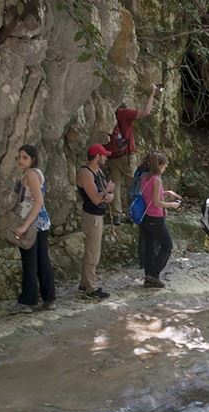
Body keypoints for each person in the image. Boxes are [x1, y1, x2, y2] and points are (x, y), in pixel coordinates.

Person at [10, 145, 56, 314]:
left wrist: (24, 225)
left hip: (32, 224)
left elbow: (38, 202)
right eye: (19, 157)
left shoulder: (30, 175)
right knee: (42, 260)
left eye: (24, 157)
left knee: (30, 262)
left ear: (33, 159)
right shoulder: (36, 173)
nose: (20, 160)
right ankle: (49, 298)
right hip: (41, 223)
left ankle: (27, 301)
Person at [106, 84, 161, 225]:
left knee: (116, 186)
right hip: (126, 156)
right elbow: (146, 112)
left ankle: (117, 216)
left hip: (111, 156)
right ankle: (133, 214)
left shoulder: (108, 114)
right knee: (133, 185)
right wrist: (152, 94)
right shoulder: (123, 113)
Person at [76, 144, 116, 300]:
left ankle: (85, 283)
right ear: (97, 157)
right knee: (92, 253)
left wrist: (108, 194)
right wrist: (107, 191)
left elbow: (104, 193)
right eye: (104, 155)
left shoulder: (97, 172)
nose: (106, 158)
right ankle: (91, 288)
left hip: (98, 214)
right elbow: (95, 198)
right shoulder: (86, 173)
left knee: (92, 251)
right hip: (91, 216)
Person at [139, 151, 182, 288]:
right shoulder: (157, 179)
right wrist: (172, 205)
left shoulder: (145, 177)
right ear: (160, 165)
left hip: (145, 217)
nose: (165, 169)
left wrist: (167, 193)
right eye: (165, 166)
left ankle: (148, 276)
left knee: (150, 247)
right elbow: (157, 202)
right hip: (155, 217)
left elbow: (148, 194)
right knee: (167, 245)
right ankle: (154, 275)